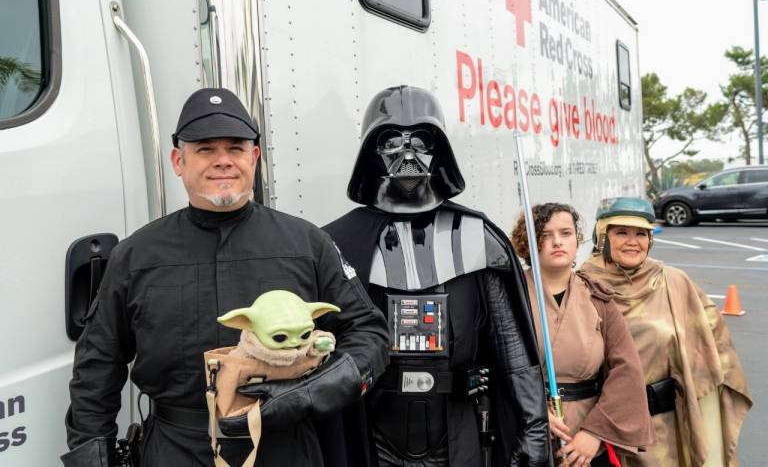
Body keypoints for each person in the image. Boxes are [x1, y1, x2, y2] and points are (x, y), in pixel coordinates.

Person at [62, 88, 390, 467]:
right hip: (176, 451)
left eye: (235, 148)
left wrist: (313, 393)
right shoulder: (135, 256)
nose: (223, 161)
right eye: (205, 149)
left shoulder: (307, 243)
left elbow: (370, 334)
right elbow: (97, 366)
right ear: (178, 160)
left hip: (284, 445)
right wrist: (91, 456)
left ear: (254, 157)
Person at [323, 85, 549, 466]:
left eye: (421, 138)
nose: (407, 152)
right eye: (392, 139)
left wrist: (534, 427)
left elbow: (512, 348)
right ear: (372, 151)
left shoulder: (478, 238)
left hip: (461, 425)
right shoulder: (338, 242)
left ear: (439, 147)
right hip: (374, 428)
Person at [578, 197, 752, 466]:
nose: (632, 241)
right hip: (607, 428)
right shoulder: (583, 287)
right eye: (621, 232)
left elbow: (714, 343)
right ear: (603, 236)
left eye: (641, 234)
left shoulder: (673, 281)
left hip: (666, 426)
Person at [510, 203, 654, 467]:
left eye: (565, 233)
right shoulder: (508, 298)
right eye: (544, 234)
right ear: (527, 241)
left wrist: (595, 432)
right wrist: (533, 410)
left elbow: (626, 370)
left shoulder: (599, 298)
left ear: (576, 240)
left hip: (586, 436)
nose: (557, 242)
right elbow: (490, 365)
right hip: (524, 431)